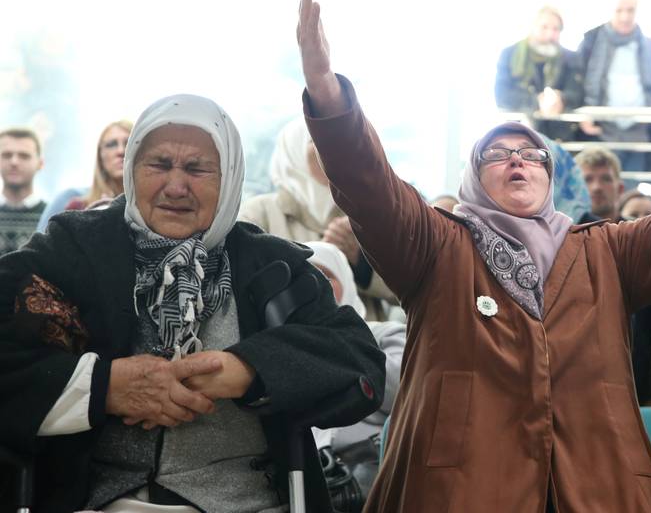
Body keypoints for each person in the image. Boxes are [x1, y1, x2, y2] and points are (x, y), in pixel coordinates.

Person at [297, 0, 651, 512]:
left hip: (599, 487)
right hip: (460, 488)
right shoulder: (436, 246)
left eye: (532, 155)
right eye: (497, 153)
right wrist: (327, 90)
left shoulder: (606, 251)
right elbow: (372, 190)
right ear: (472, 178)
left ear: (551, 176)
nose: (517, 160)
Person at [0, 93, 385, 512]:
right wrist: (100, 387)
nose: (176, 185)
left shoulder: (270, 264)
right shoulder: (76, 248)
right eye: (159, 164)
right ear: (132, 170)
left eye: (198, 169)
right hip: (98, 501)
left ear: (230, 177)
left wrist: (251, 370)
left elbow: (359, 362)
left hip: (246, 503)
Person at [239, 117, 399, 321]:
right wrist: (317, 259)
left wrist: (362, 264)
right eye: (316, 140)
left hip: (365, 344)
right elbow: (239, 286)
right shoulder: (260, 212)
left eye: (338, 141)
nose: (331, 149)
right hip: (284, 343)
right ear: (293, 149)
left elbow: (413, 288)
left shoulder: (368, 214)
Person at [305, 241, 405, 510]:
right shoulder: (280, 349)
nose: (316, 283)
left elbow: (403, 391)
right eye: (304, 275)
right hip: (307, 477)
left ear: (346, 280)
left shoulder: (383, 335)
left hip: (370, 474)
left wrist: (326, 355)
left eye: (326, 275)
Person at [576, 0, 651, 183]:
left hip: (639, 130)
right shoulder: (591, 42)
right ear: (610, 12)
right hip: (603, 130)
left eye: (630, 10)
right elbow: (578, 81)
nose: (625, 17)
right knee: (601, 185)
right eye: (619, 11)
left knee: (630, 188)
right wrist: (584, 115)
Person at [495, 6, 583, 142]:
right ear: (533, 27)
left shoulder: (571, 58)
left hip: (560, 137)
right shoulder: (509, 54)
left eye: (556, 29)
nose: (550, 34)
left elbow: (577, 93)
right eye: (544, 27)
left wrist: (561, 99)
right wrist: (537, 101)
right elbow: (502, 95)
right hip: (519, 135)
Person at [37, 120, 132, 231]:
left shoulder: (152, 210)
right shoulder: (75, 205)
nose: (121, 151)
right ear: (100, 155)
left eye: (129, 143)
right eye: (111, 144)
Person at [0, 128, 45, 255]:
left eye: (24, 156)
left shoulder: (52, 216)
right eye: (6, 155)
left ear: (40, 163)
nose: (14, 162)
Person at [575, 145, 624, 222]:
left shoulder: (639, 232)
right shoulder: (560, 232)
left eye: (606, 179)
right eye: (587, 179)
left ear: (620, 189)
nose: (596, 187)